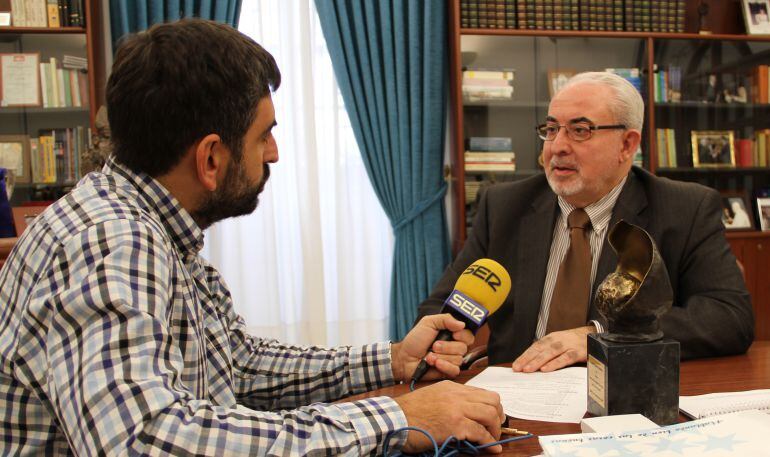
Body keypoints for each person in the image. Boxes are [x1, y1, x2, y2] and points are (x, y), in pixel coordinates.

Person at [0, 20, 506, 455]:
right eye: (264, 134)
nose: (275, 153)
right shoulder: (113, 240)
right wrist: (396, 419)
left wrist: (393, 359)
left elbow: (238, 366)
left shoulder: (152, 223)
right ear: (211, 159)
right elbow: (144, 440)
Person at [418, 71, 753, 372]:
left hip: (626, 393)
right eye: (551, 129)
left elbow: (729, 318)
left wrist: (600, 334)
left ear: (627, 144)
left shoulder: (685, 208)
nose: (557, 147)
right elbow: (445, 303)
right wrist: (444, 341)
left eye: (580, 130)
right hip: (519, 393)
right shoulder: (505, 206)